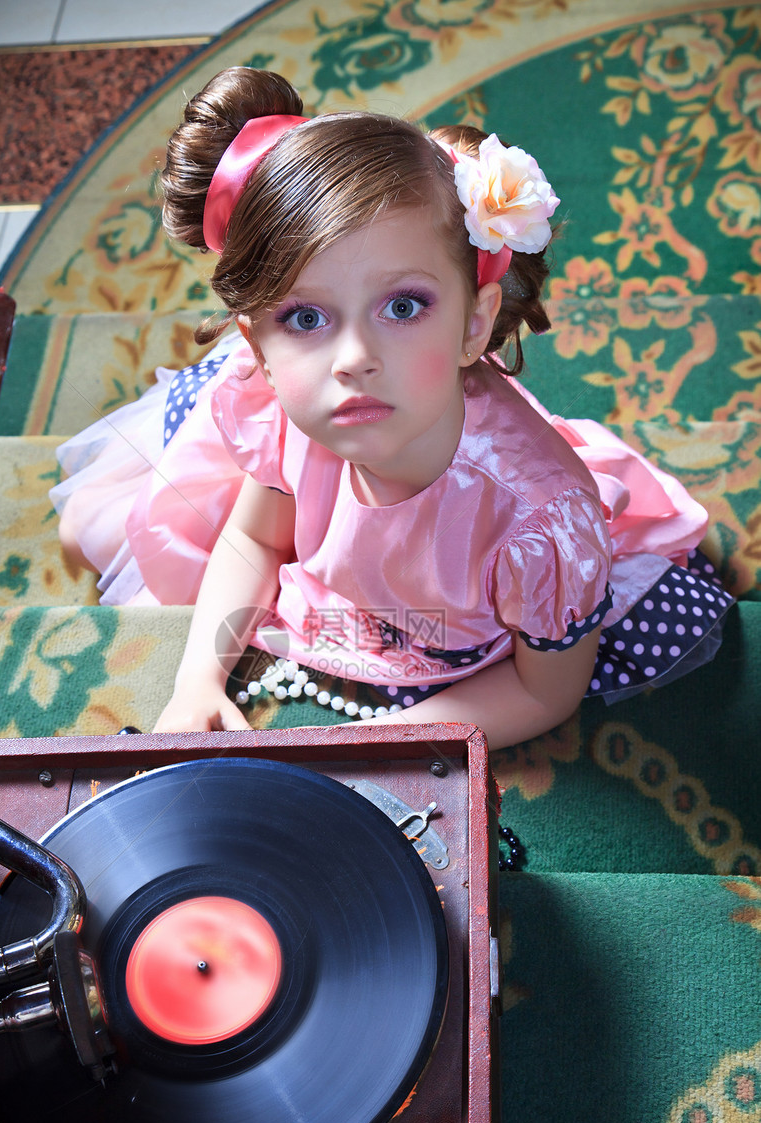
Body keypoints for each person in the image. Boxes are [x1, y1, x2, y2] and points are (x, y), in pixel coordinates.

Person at [53, 66, 732, 748]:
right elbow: (259, 535)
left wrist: (379, 746)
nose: (352, 358)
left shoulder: (541, 526)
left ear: (474, 324)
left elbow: (540, 689)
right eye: (307, 317)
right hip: (355, 568)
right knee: (93, 530)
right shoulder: (294, 409)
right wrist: (197, 678)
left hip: (469, 573)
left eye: (403, 306)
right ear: (258, 346)